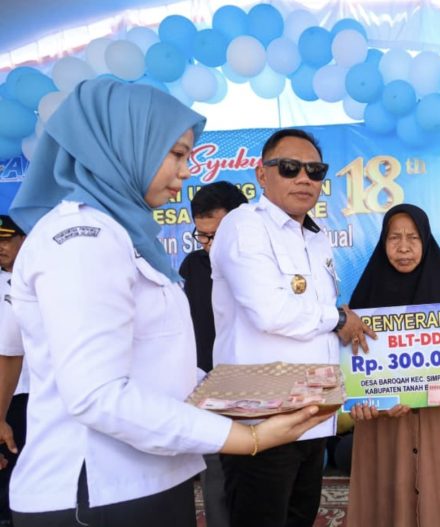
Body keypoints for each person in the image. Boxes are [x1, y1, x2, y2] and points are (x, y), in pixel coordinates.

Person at [3, 78, 328, 527]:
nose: (188, 170)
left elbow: (160, 365)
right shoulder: (82, 239)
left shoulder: (125, 237)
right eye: (176, 153)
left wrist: (257, 397)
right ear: (121, 145)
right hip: (96, 493)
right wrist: (244, 437)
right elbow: (98, 396)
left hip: (146, 481)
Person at [210, 128, 373, 527]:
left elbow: (312, 314)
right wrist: (336, 318)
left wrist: (336, 318)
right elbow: (271, 311)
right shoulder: (243, 224)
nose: (304, 178)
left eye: (315, 170)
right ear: (262, 175)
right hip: (260, 416)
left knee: (299, 517)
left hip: (311, 411)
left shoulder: (316, 238)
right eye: (290, 168)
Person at [346, 203, 440, 527]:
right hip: (384, 424)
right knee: (385, 501)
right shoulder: (366, 295)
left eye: (413, 238)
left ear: (426, 240)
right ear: (383, 243)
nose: (404, 247)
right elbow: (356, 370)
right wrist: (367, 404)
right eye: (394, 238)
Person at [179, 182, 247, 527]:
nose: (208, 246)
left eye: (216, 236)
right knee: (216, 478)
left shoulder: (262, 264)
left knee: (264, 482)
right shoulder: (192, 266)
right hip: (210, 386)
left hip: (263, 386)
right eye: (201, 236)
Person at [0, 216, 27, 527]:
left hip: (38, 393)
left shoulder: (39, 279)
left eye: (7, 239)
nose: (1, 247)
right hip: (9, 395)